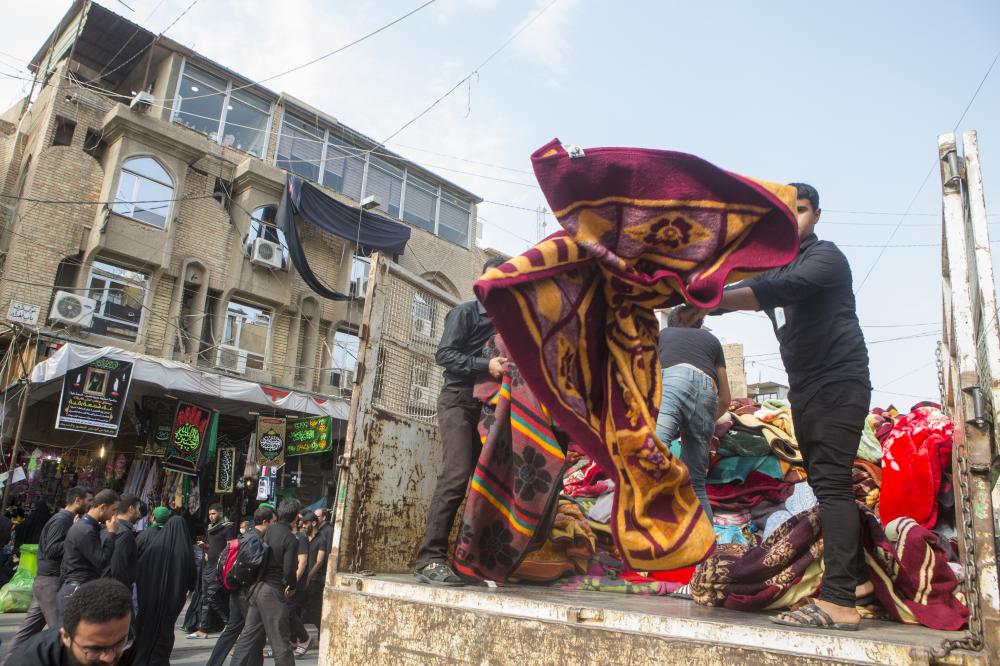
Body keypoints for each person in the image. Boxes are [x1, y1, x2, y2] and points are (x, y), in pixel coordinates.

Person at [680, 182, 872, 630]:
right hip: (805, 387)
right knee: (827, 484)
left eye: (801, 210)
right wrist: (689, 295)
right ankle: (858, 581)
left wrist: (711, 298)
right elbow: (740, 287)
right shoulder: (775, 270)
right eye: (785, 213)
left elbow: (780, 288)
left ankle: (840, 601)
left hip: (838, 380)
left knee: (833, 487)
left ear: (817, 216)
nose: (794, 219)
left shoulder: (825, 258)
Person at [413, 257, 507, 587]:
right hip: (457, 403)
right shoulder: (465, 313)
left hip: (488, 410)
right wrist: (487, 366)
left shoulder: (506, 324)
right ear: (483, 284)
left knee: (487, 482)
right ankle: (429, 560)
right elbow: (445, 355)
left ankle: (470, 560)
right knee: (455, 476)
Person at [655, 307, 731, 521]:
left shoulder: (663, 336)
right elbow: (725, 399)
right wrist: (706, 420)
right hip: (707, 388)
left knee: (654, 455)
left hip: (672, 379)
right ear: (698, 322)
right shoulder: (712, 341)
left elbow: (647, 381)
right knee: (697, 484)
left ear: (672, 323)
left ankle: (653, 536)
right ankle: (707, 549)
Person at [4, 487, 92, 657]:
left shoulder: (67, 519)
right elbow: (52, 550)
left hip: (46, 581)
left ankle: (10, 660)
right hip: (50, 581)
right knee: (59, 630)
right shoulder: (62, 520)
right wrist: (75, 533)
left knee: (28, 629)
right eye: (88, 500)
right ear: (77, 500)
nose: (90, 504)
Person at [229, 499, 301, 666]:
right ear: (296, 517)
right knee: (280, 643)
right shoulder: (290, 538)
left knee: (247, 638)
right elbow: (290, 569)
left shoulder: (268, 531)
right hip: (273, 592)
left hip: (257, 590)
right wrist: (292, 586)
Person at [5, 578, 134, 666]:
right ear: (66, 637)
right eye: (95, 649)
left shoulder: (126, 639)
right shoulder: (29, 661)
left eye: (119, 643)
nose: (109, 658)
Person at [205, 506, 274, 666]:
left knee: (232, 631)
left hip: (236, 591)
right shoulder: (256, 540)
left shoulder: (244, 537)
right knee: (254, 636)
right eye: (273, 522)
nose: (273, 525)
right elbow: (249, 568)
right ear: (265, 522)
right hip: (246, 593)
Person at [130, 515, 196, 665]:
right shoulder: (185, 550)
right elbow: (193, 577)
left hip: (150, 596)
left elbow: (139, 569)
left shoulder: (154, 548)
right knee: (165, 628)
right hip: (173, 597)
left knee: (147, 625)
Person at [56, 489, 120, 625]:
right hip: (76, 590)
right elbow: (101, 561)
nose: (115, 515)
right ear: (102, 507)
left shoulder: (89, 527)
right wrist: (111, 534)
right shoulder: (85, 529)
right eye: (113, 510)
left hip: (79, 588)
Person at [188, 503, 237, 639]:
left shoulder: (228, 527)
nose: (211, 516)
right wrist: (206, 547)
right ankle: (203, 629)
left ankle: (228, 622)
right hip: (208, 566)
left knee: (212, 596)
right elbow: (214, 546)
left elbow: (230, 549)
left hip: (218, 568)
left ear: (221, 513)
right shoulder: (211, 528)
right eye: (209, 514)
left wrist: (223, 565)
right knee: (204, 597)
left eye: (214, 513)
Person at [286, 510, 316, 655]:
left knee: (289, 610)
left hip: (296, 582)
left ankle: (304, 638)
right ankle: (291, 641)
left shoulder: (301, 537)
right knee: (287, 611)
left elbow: (302, 563)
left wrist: (293, 583)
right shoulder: (287, 536)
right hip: (286, 579)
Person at [105, 495, 143, 592]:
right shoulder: (124, 533)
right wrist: (125, 591)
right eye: (138, 509)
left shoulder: (109, 526)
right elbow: (118, 568)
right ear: (131, 509)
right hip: (116, 590)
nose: (139, 515)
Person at [305, 509, 331, 627]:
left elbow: (320, 561)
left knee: (314, 608)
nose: (303, 526)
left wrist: (309, 576)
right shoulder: (304, 538)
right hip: (303, 577)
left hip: (316, 578)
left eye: (306, 523)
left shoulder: (323, 538)